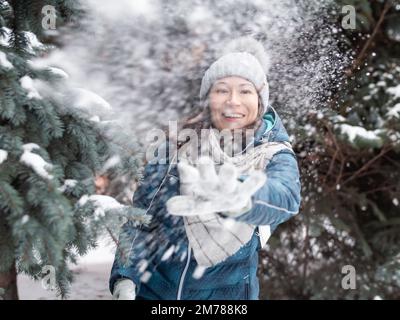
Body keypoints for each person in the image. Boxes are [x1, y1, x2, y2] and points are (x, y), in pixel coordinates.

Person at [109, 37, 301, 300]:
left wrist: (242, 198)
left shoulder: (272, 153)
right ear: (208, 98)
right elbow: (140, 219)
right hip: (152, 294)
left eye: (245, 90)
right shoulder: (176, 146)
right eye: (222, 90)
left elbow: (286, 197)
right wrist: (124, 276)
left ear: (260, 100)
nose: (233, 101)